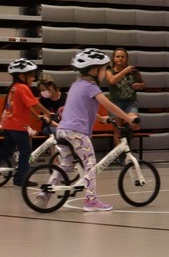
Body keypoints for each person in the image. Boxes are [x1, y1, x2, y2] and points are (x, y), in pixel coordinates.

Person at [44, 49, 138, 212]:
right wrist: (128, 117)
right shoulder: (91, 87)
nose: (105, 72)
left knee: (66, 163)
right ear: (94, 70)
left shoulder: (76, 85)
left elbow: (80, 108)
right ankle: (91, 200)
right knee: (90, 164)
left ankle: (46, 191)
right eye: (103, 69)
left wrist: (101, 119)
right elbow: (109, 105)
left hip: (63, 130)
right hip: (77, 133)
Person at [1, 59, 55, 187]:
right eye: (31, 75)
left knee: (6, 151)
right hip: (17, 126)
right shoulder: (23, 87)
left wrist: (38, 116)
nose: (33, 78)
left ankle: (18, 176)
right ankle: (20, 179)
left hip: (8, 125)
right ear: (22, 76)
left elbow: (27, 106)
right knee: (26, 151)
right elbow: (35, 104)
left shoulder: (14, 87)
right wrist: (48, 113)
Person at [103, 47, 144, 126]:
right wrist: (125, 71)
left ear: (126, 58)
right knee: (118, 130)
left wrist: (140, 85)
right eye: (118, 57)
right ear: (114, 58)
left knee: (134, 122)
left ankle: (127, 132)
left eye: (122, 57)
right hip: (115, 102)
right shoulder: (109, 71)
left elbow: (142, 84)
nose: (120, 59)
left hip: (130, 102)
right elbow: (112, 81)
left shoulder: (133, 70)